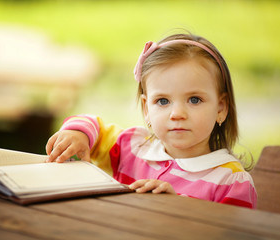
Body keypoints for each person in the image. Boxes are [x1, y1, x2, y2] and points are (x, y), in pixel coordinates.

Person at [45, 33, 257, 209]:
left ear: (221, 108)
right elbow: (94, 127)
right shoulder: (132, 148)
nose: (177, 114)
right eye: (163, 101)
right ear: (147, 108)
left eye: (194, 99)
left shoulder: (231, 182)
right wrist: (77, 134)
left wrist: (177, 209)